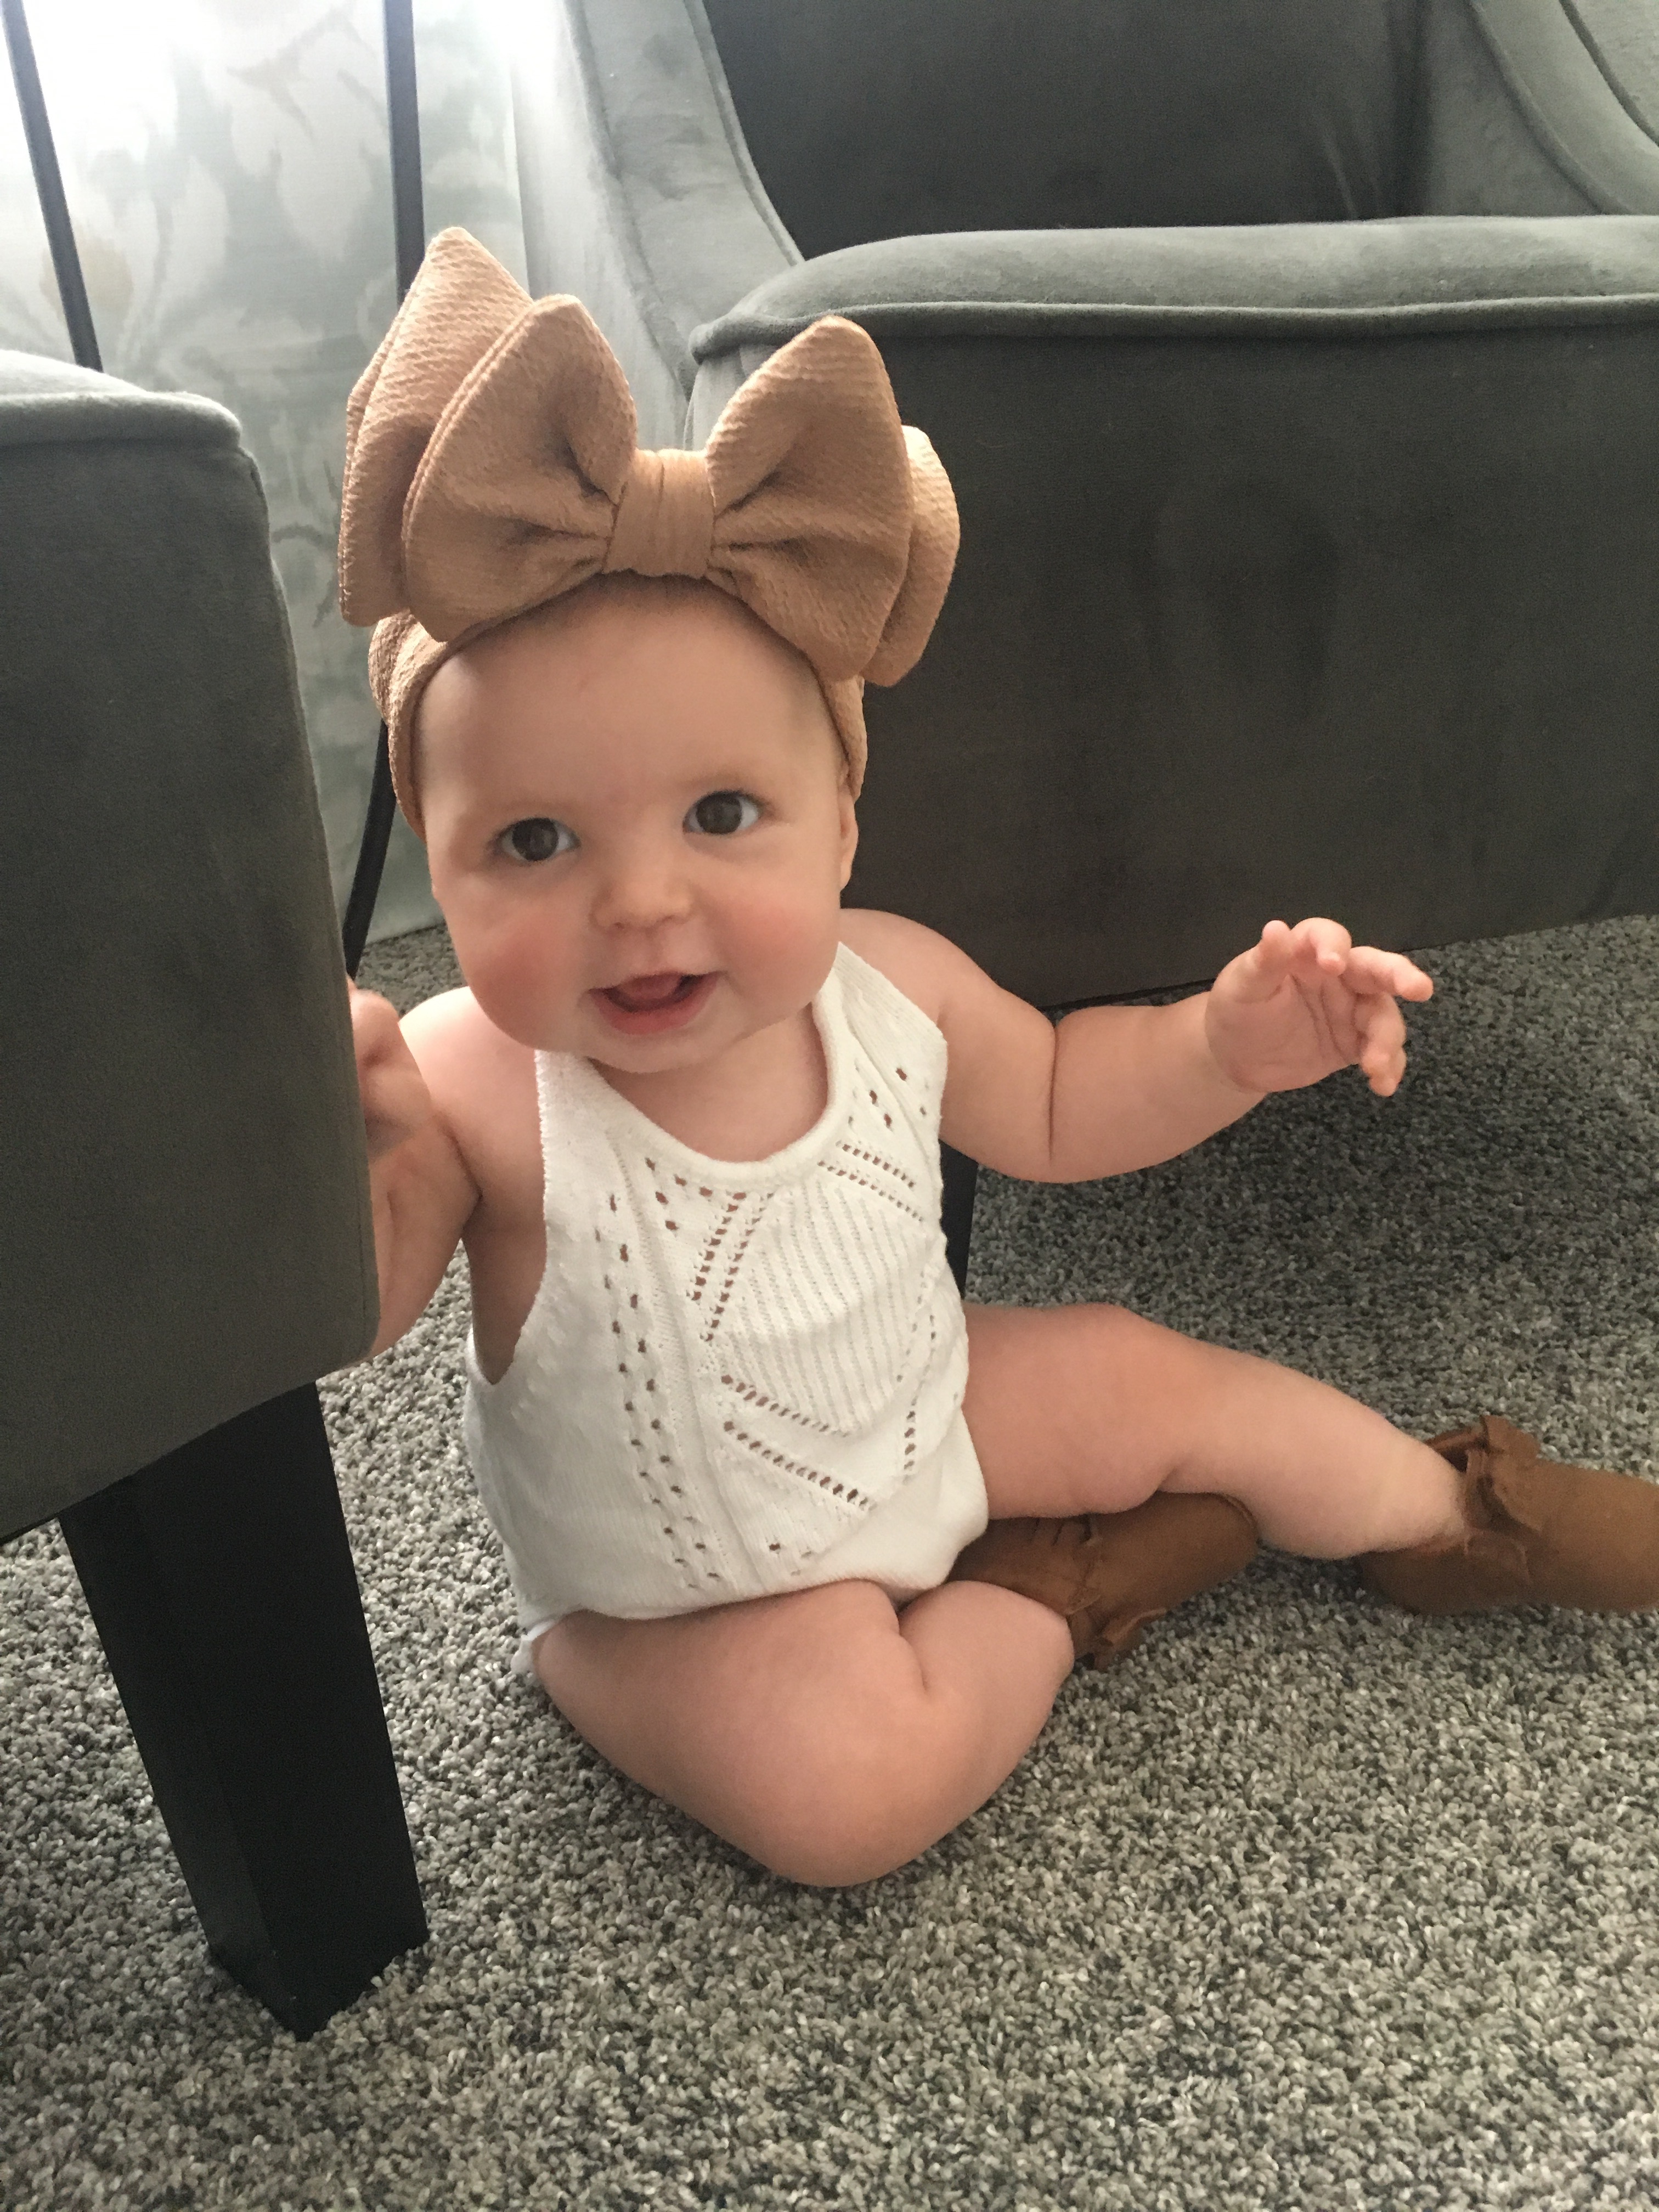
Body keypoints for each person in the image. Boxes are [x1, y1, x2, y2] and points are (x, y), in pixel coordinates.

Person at [343, 230, 1659, 1889]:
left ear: (841, 826)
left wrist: (1223, 1044)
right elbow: (353, 1313)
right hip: (689, 1593)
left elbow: (1054, 1101)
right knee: (845, 1797)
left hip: (931, 1403)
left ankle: (1458, 1515)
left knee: (1161, 1381)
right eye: (536, 841)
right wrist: (352, 1164)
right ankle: (1054, 1583)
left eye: (722, 813)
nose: (642, 902)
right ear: (439, 871)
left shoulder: (888, 980)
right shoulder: (474, 1077)